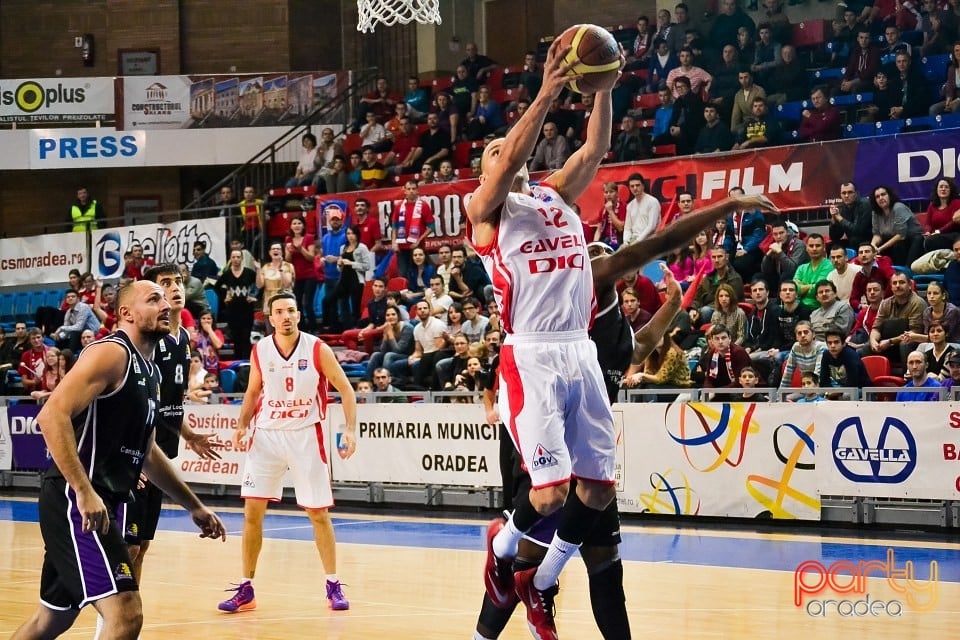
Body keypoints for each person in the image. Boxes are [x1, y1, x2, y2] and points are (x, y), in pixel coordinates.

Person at [466, 38, 622, 638]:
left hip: (578, 349)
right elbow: (504, 166)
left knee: (598, 489)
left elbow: (597, 146)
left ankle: (545, 577)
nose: (507, 153)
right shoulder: (483, 210)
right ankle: (503, 548)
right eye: (497, 151)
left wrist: (603, 89)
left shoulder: (554, 194)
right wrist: (550, 88)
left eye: (510, 147)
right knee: (551, 492)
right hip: (529, 352)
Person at [11, 280, 226, 640]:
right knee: (126, 613)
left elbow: (148, 454)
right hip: (75, 500)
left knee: (51, 620)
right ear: (125, 313)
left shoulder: (151, 372)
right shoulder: (111, 353)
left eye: (166, 299)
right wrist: (82, 489)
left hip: (102, 500)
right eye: (153, 299)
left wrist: (195, 506)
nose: (166, 306)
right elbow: (51, 417)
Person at [219, 293, 357, 614]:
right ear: (269, 317)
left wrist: (349, 429)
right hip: (266, 436)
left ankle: (332, 583)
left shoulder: (317, 348)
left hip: (306, 435)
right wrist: (242, 425)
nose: (286, 316)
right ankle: (246, 587)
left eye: (291, 310)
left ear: (299, 314)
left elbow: (346, 388)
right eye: (279, 311)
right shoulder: (260, 350)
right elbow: (253, 391)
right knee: (252, 512)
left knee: (317, 513)